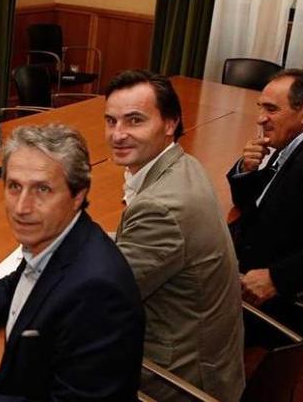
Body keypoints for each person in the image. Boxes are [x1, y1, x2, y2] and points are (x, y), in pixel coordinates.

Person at [0, 124, 144, 402]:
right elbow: (18, 283)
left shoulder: (98, 291)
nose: (21, 208)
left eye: (42, 189)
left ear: (78, 195)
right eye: (14, 186)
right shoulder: (62, 239)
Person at [104, 70, 244, 401]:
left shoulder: (161, 208)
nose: (117, 134)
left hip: (177, 380)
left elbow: (102, 299)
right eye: (111, 121)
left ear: (170, 124)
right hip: (209, 355)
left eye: (134, 121)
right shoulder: (184, 164)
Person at [227, 70, 303, 323]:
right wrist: (247, 170)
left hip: (271, 300)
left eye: (271, 109)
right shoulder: (297, 145)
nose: (260, 119)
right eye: (260, 108)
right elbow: (251, 203)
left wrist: (277, 278)